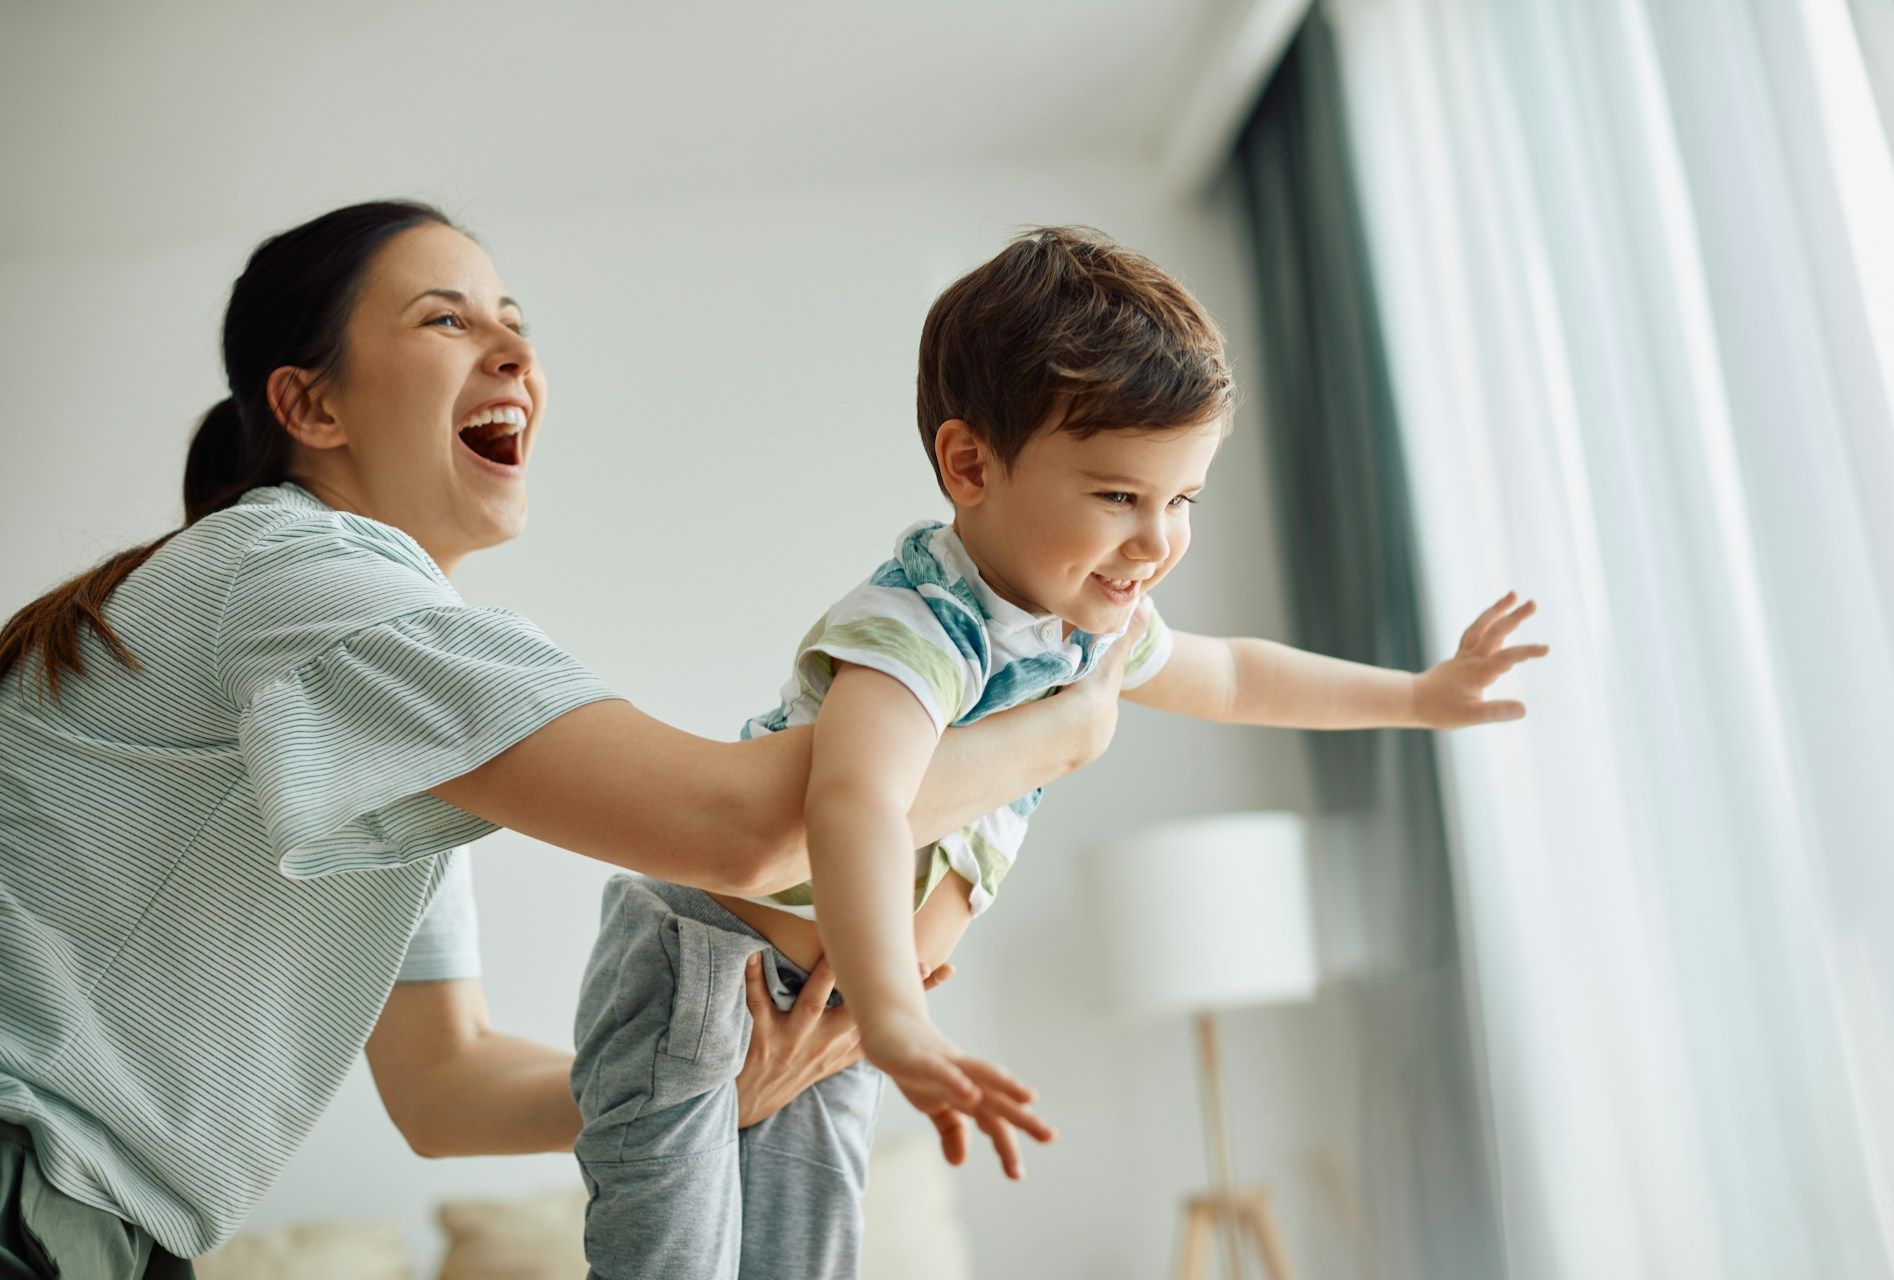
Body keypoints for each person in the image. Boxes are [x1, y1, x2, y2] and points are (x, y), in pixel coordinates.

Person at [0, 201, 1120, 1278]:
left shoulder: (375, 716)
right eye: (449, 318)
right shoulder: (296, 577)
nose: (513, 355)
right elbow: (749, 829)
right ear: (310, 405)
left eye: (517, 324)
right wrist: (1063, 728)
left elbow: (448, 1085)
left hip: (113, 1218)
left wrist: (701, 1081)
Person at [570, 226, 1548, 1279]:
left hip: (838, 1004)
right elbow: (852, 805)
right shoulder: (921, 626)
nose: (1158, 541)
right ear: (970, 464)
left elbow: (1236, 676)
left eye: (1183, 500)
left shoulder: (1092, 630)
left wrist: (1416, 694)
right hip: (709, 973)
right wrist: (898, 1018)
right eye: (1119, 495)